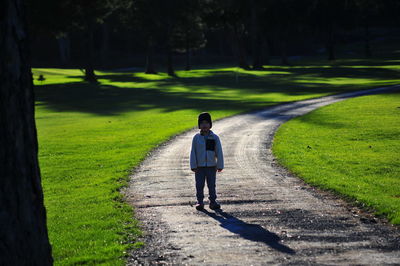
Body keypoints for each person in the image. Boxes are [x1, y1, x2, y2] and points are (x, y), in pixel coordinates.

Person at [190, 112, 224, 211]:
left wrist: (219, 165)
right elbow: (193, 152)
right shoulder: (196, 138)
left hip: (211, 166)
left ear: (210, 125)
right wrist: (193, 165)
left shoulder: (214, 138)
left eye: (206, 123)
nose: (204, 125)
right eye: (202, 123)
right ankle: (200, 202)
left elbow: (219, 152)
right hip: (199, 167)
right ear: (199, 125)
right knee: (199, 185)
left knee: (211, 185)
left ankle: (212, 202)